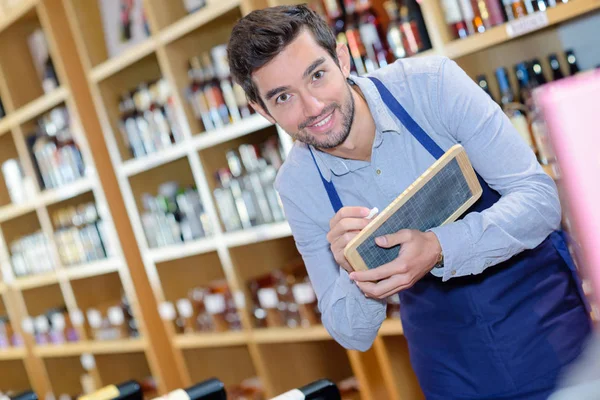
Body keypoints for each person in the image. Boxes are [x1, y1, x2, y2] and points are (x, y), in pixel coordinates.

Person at [227, 5, 592, 399]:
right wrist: (357, 274)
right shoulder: (299, 187)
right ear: (261, 110)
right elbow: (350, 333)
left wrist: (438, 248)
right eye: (283, 98)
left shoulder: (431, 85)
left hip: (543, 316)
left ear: (343, 58)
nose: (312, 107)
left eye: (317, 75)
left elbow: (539, 200)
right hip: (449, 363)